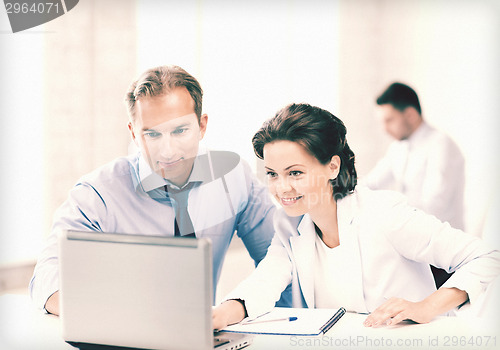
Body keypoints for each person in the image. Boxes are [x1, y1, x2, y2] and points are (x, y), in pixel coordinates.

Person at [212, 103, 500, 330]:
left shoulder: (384, 213)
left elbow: (487, 256)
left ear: (332, 167)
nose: (281, 188)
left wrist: (427, 306)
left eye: (295, 172)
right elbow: (265, 281)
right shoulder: (289, 224)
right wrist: (218, 316)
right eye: (272, 175)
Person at [29, 65, 284, 316]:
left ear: (202, 126)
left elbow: (281, 257)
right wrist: (112, 317)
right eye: (152, 135)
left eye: (180, 131)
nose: (168, 151)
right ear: (133, 133)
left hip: (205, 338)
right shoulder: (98, 194)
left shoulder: (234, 178)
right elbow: (48, 276)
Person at [364, 82, 466, 287]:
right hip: (415, 248)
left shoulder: (440, 145)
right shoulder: (398, 148)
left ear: (410, 114)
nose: (385, 129)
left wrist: (388, 216)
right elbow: (370, 183)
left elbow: (434, 205)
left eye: (389, 120)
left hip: (441, 254)